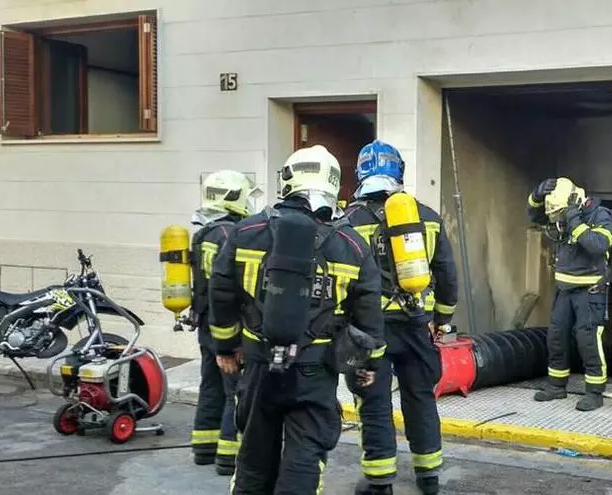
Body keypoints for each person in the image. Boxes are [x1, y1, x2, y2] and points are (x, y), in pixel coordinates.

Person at [208, 144, 386, 495]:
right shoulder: (352, 246)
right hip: (315, 372)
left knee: (254, 458)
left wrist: (226, 347)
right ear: (333, 184)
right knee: (305, 456)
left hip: (258, 366)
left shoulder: (245, 232)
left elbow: (221, 292)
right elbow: (369, 316)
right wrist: (369, 365)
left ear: (287, 181)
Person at [342, 140, 459, 495]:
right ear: (399, 172)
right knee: (420, 397)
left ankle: (380, 482)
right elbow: (447, 275)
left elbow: (342, 278)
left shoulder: (349, 222)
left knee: (374, 401)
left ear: (361, 173)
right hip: (416, 324)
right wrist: (441, 319)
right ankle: (429, 476)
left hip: (370, 330)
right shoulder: (428, 217)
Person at [527, 176, 612, 412]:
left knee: (587, 340)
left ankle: (594, 392)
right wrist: (536, 196)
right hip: (564, 290)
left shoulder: (600, 215)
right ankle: (556, 386)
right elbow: (536, 216)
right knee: (556, 337)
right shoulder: (562, 216)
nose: (557, 218)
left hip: (590, 290)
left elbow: (598, 245)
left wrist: (575, 221)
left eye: (561, 213)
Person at [188, 170, 255, 476]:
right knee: (235, 389)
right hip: (227, 325)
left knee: (210, 384)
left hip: (204, 322)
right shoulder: (231, 234)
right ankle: (230, 456)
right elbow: (231, 289)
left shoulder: (203, 232)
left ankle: (204, 447)